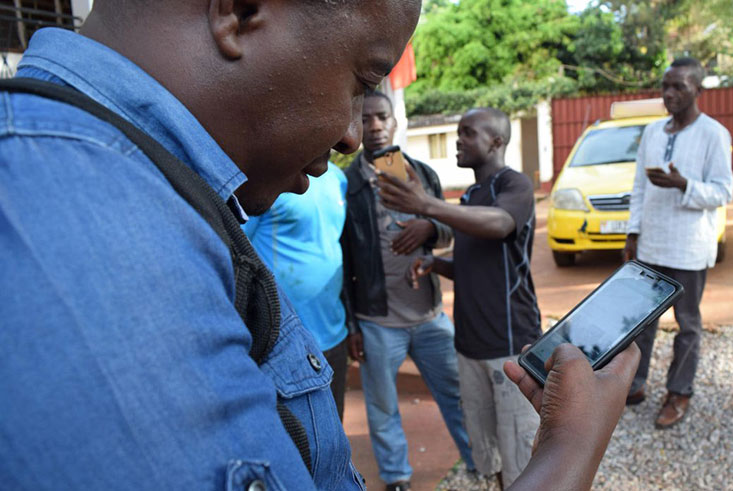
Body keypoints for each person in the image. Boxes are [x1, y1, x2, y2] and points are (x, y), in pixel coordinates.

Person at [0, 1, 640, 489]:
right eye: (362, 78)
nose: (351, 135)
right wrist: (570, 447)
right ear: (240, 11)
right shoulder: (81, 246)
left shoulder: (143, 187)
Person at [378, 107, 543, 488]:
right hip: (469, 347)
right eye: (459, 132)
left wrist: (427, 206)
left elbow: (501, 224)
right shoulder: (470, 196)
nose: (458, 139)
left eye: (468, 133)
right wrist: (434, 264)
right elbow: (471, 262)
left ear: (496, 142)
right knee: (490, 453)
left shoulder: (513, 185)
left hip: (510, 346)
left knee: (522, 454)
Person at [342, 90, 474, 491]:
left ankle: (479, 461)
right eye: (366, 120)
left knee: (458, 395)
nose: (376, 126)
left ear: (395, 121)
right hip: (378, 321)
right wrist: (352, 325)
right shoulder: (348, 186)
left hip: (430, 316)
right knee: (382, 408)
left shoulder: (421, 174)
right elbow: (343, 260)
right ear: (356, 126)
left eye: (382, 117)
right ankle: (397, 477)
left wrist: (431, 227)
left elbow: (454, 226)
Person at [623, 57, 733, 429]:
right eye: (665, 86)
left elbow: (723, 191)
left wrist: (685, 185)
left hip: (688, 248)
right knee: (642, 322)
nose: (669, 94)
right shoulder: (653, 133)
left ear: (698, 91)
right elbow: (638, 187)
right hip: (651, 243)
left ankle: (679, 391)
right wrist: (632, 232)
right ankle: (634, 384)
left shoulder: (713, 134)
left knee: (686, 324)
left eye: (679, 87)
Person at [243, 163, 350, 421]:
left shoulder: (338, 177)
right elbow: (237, 249)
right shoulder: (267, 179)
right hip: (280, 339)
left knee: (334, 429)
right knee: (291, 441)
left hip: (332, 331)